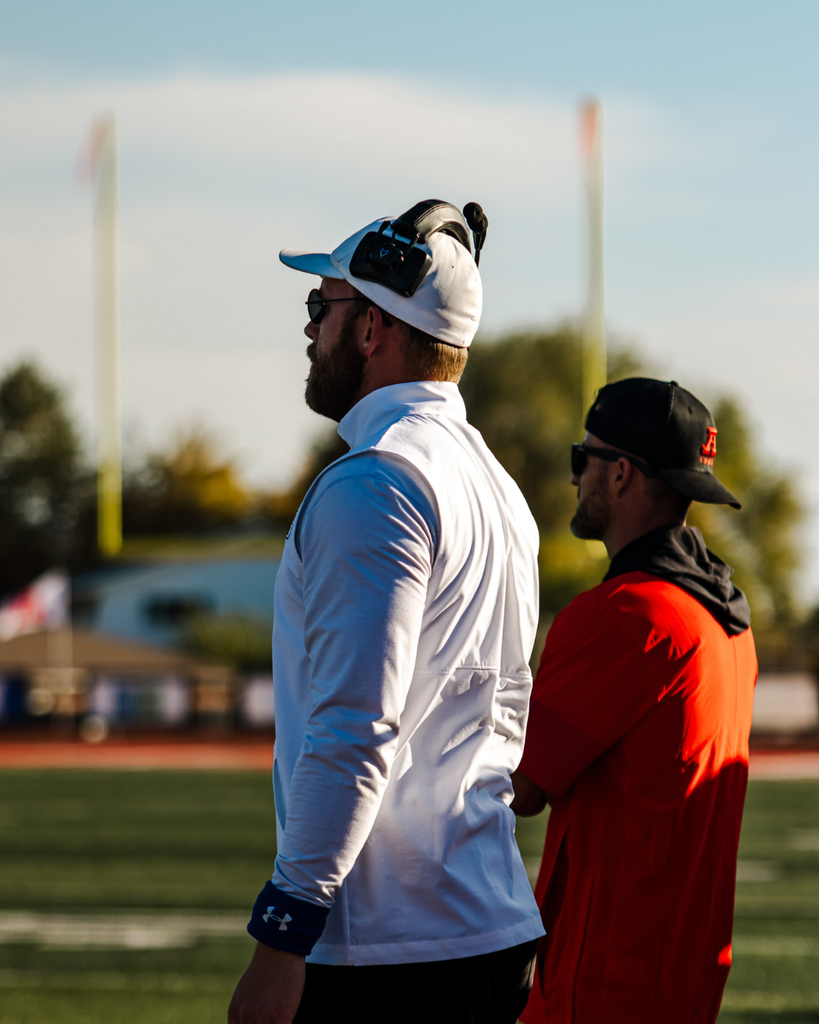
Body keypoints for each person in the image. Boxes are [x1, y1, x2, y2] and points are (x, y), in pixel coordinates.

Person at [228, 200, 544, 1024]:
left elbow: (353, 727)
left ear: (372, 328)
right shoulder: (497, 489)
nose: (307, 331)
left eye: (320, 308)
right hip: (486, 921)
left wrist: (282, 935)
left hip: (385, 947)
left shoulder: (376, 482)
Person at [512, 378, 758, 1024]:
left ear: (620, 475)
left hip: (606, 979)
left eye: (581, 459)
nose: (575, 479)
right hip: (681, 972)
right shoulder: (725, 620)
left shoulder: (625, 616)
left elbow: (518, 785)